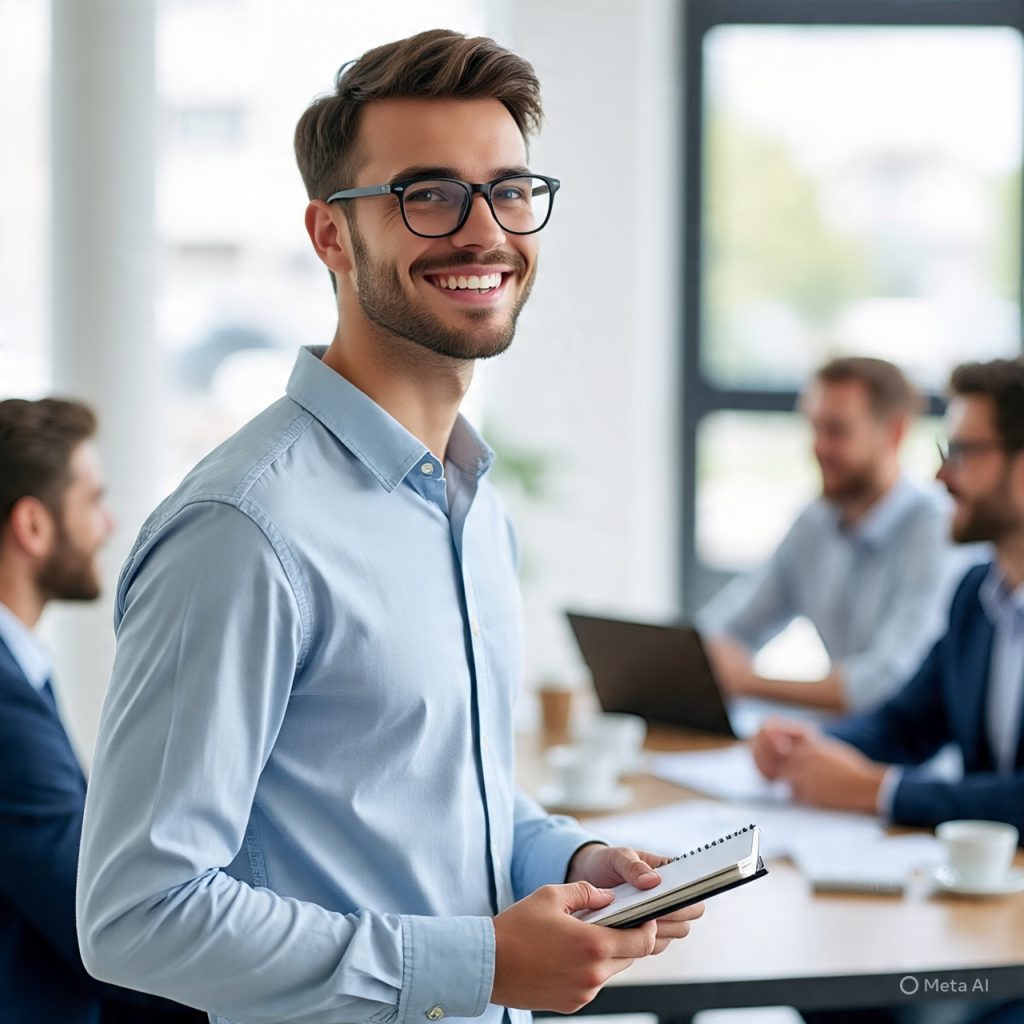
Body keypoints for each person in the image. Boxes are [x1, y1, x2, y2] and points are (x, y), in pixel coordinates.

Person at [76, 29, 703, 1024]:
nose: (484, 231)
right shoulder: (243, 529)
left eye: (507, 189)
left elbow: (436, 799)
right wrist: (478, 965)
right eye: (428, 194)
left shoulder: (470, 502)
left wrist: (571, 857)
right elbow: (137, 913)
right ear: (331, 235)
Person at [751, 357, 1024, 1024]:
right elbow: (906, 721)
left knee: (904, 1007)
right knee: (832, 990)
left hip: (1007, 951)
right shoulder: (979, 594)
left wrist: (878, 791)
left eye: (962, 450)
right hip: (987, 912)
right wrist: (813, 746)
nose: (938, 473)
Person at [0, 398, 204, 1024]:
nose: (110, 524)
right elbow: (99, 927)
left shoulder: (20, 673)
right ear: (33, 526)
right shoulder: (4, 702)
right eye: (93, 501)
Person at [699, 356, 961, 714]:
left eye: (836, 431)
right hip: (834, 741)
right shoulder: (817, 521)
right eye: (814, 428)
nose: (818, 447)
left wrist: (748, 682)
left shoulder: (937, 529)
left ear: (895, 432)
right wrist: (692, 658)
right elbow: (732, 625)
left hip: (906, 758)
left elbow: (887, 683)